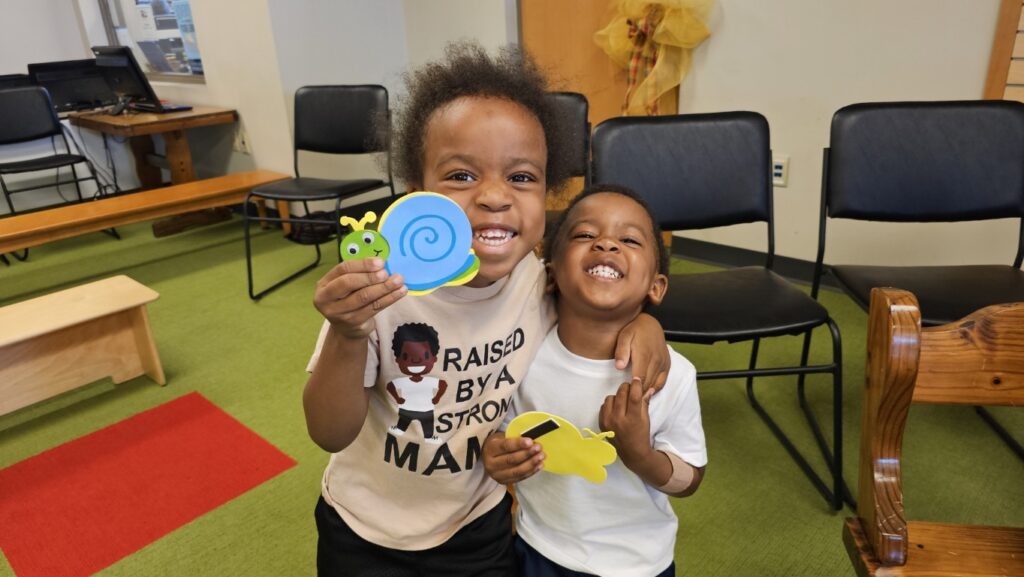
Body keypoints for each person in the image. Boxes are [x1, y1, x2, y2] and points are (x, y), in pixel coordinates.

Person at [303, 43, 672, 576]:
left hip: (479, 523)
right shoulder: (381, 292)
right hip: (366, 528)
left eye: (521, 177)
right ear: (418, 198)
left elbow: (608, 299)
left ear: (547, 192)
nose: (495, 197)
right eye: (461, 175)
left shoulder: (540, 281)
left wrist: (645, 322)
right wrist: (346, 333)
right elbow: (328, 432)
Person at [484, 186, 708, 577]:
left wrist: (641, 456)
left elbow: (690, 479)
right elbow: (500, 430)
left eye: (630, 240)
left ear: (656, 287)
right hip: (538, 549)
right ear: (551, 274)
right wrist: (497, 453)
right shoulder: (523, 355)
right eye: (585, 234)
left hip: (638, 566)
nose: (606, 243)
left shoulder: (673, 375)